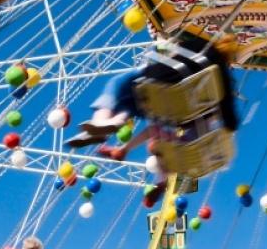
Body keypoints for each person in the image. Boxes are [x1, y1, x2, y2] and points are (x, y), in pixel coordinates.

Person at [67, 36, 239, 206]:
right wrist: (224, 129)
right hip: (179, 114)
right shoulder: (222, 78)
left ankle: (103, 120)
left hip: (157, 91)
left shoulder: (200, 43)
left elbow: (174, 51)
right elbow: (231, 120)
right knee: (160, 138)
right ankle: (157, 174)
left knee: (119, 84)